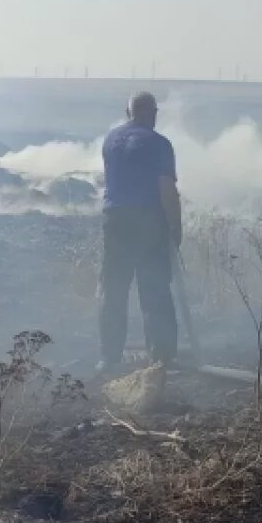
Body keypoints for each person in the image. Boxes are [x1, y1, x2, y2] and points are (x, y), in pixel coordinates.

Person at [97, 91, 182, 371]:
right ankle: (161, 357)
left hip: (115, 221)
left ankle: (109, 357)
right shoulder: (158, 144)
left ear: (128, 112)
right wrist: (175, 227)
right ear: (153, 113)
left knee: (114, 289)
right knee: (155, 288)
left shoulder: (110, 140)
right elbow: (166, 189)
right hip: (149, 221)